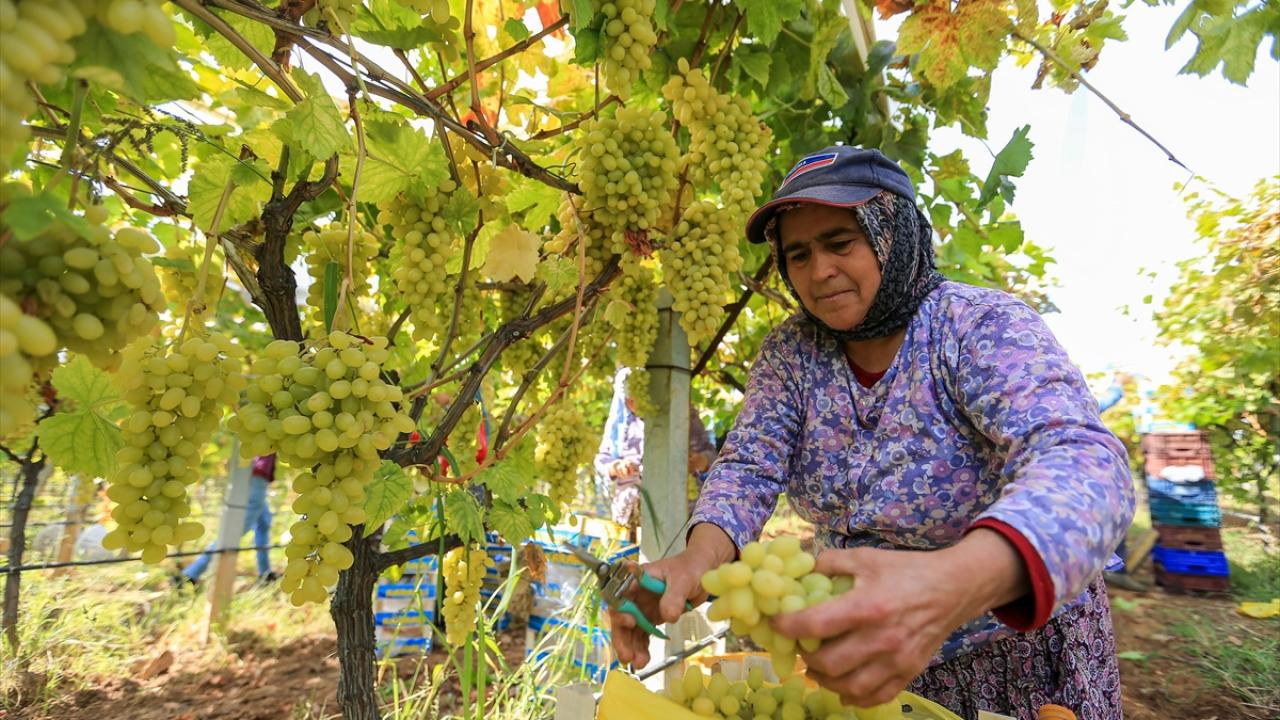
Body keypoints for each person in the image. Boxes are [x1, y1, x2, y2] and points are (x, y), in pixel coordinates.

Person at [607, 147, 1134, 719]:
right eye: (799, 254)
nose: (819, 271)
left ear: (892, 233)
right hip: (865, 668)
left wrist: (954, 586)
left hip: (1015, 665)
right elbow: (747, 469)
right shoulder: (793, 354)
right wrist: (695, 560)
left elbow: (1084, 461)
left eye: (840, 243)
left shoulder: (976, 326)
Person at [595, 367, 716, 536]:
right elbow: (602, 460)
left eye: (636, 398)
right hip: (631, 517)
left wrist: (701, 461)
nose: (631, 403)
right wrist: (616, 467)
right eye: (628, 400)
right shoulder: (621, 423)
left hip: (680, 516)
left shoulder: (684, 417)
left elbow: (712, 456)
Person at [178, 454, 277, 585]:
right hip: (255, 477)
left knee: (264, 523)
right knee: (234, 533)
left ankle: (265, 573)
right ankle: (190, 574)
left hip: (256, 478)